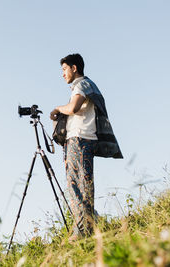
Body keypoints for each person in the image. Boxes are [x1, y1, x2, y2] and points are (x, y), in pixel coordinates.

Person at [50, 53, 122, 240]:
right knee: (81, 183)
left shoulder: (82, 85)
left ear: (74, 68)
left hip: (80, 139)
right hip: (79, 139)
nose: (63, 74)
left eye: (65, 69)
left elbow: (73, 107)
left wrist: (58, 109)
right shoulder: (84, 86)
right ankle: (91, 224)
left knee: (78, 185)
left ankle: (83, 229)